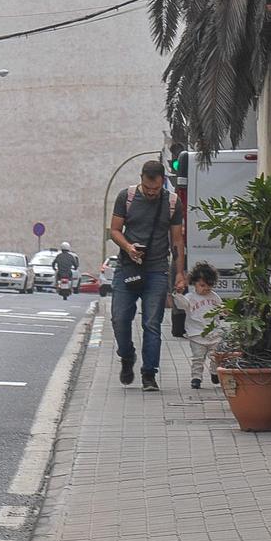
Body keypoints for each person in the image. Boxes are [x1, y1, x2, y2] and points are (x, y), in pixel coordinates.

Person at [108, 158, 184, 390]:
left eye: (156, 188)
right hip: (127, 267)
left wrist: (179, 273)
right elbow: (114, 230)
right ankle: (127, 355)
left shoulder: (172, 202)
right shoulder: (127, 197)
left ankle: (149, 374)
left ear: (163, 182)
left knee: (152, 323)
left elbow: (177, 240)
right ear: (141, 178)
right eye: (148, 188)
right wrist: (129, 248)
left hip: (157, 270)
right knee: (119, 319)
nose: (152, 192)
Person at [169, 262, 224, 389]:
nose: (206, 288)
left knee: (216, 356)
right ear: (194, 283)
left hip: (214, 333)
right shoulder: (190, 297)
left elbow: (221, 308)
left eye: (209, 286)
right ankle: (196, 378)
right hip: (196, 334)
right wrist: (177, 294)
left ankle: (215, 372)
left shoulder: (214, 297)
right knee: (198, 358)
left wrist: (225, 312)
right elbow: (181, 304)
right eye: (202, 285)